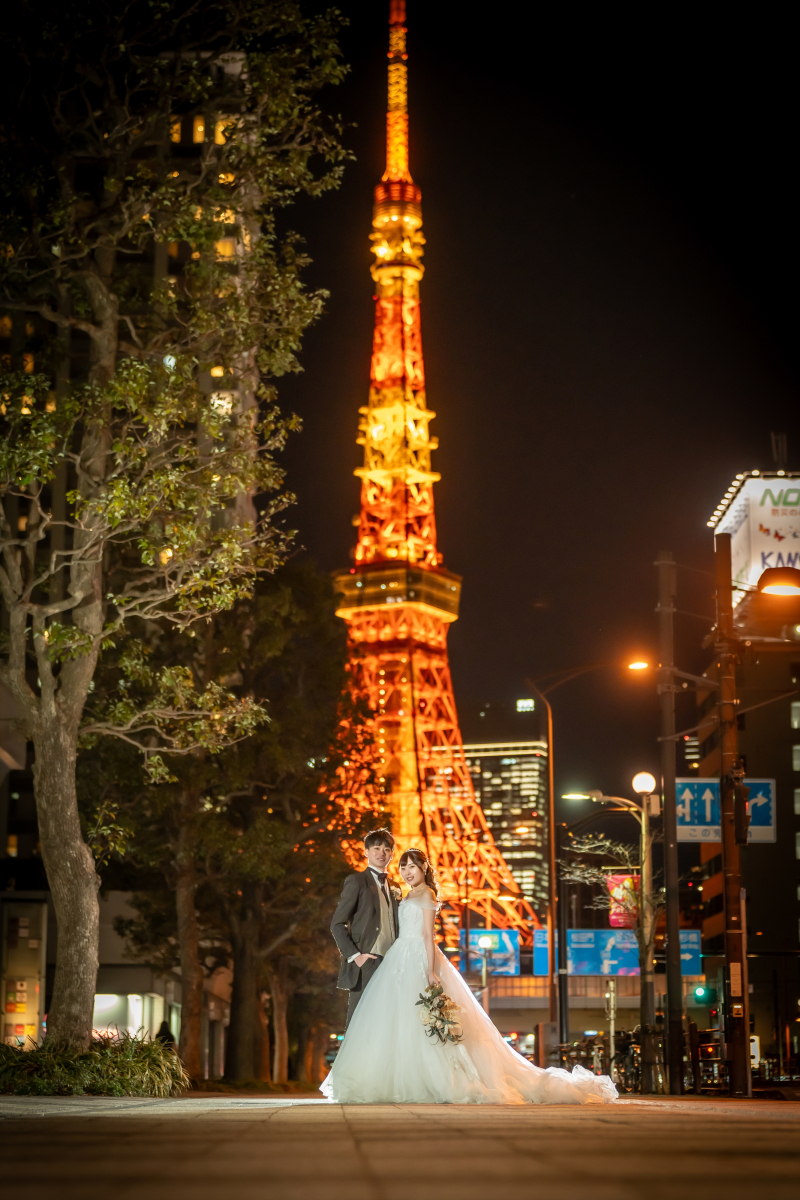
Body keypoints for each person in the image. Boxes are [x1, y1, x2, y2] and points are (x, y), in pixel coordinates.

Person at [322, 848, 617, 1105]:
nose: (406, 871)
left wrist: (430, 972)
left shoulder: (426, 894)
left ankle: (432, 1080)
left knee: (420, 1023)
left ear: (424, 868)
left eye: (412, 865)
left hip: (417, 958)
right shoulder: (407, 893)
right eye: (403, 866)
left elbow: (428, 936)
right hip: (399, 957)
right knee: (398, 1022)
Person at [330, 827, 399, 1027]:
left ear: (392, 855)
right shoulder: (356, 881)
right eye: (376, 848)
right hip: (368, 962)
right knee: (359, 1023)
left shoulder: (394, 886)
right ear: (366, 852)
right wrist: (356, 956)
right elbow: (337, 923)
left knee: (388, 1022)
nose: (381, 853)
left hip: (393, 964)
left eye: (387, 849)